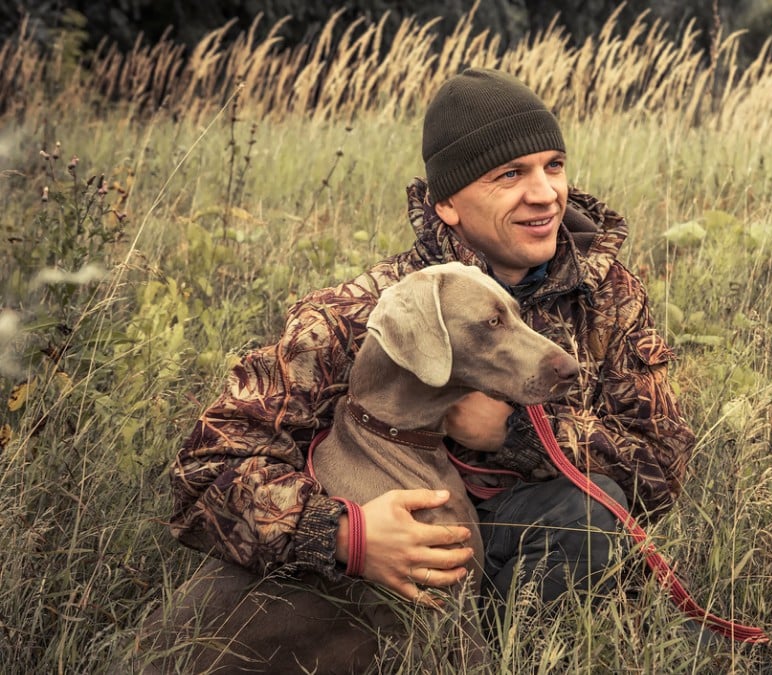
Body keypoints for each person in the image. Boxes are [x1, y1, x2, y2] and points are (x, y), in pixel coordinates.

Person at [169, 68, 694, 624]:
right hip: (384, 560)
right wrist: (346, 535)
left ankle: (510, 654)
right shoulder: (357, 314)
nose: (545, 194)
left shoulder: (604, 294)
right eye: (510, 174)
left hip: (525, 541)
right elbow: (204, 477)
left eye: (553, 166)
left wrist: (513, 435)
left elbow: (661, 467)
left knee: (583, 521)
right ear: (447, 204)